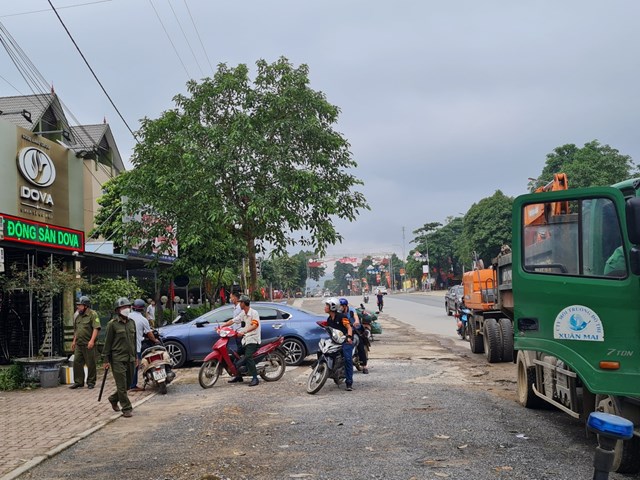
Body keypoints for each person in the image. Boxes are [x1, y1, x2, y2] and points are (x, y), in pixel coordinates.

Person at [102, 297, 137, 418]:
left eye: (127, 307)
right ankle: (126, 408)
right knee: (121, 385)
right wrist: (106, 360)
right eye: (123, 307)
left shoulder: (132, 323)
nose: (126, 309)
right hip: (117, 358)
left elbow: (134, 341)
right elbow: (107, 343)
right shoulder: (112, 325)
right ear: (117, 310)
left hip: (130, 358)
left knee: (128, 385)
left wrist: (136, 357)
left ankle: (113, 398)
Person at [225, 295, 262, 387]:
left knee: (248, 357)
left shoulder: (254, 313)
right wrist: (222, 326)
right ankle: (238, 376)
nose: (239, 303)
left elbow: (254, 325)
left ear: (244, 303)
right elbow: (233, 320)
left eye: (241, 302)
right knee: (234, 354)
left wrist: (243, 331)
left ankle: (255, 378)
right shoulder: (243, 313)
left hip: (253, 340)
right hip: (245, 340)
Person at [69, 295, 101, 390]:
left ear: (86, 306)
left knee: (90, 363)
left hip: (89, 343)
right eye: (77, 305)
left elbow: (96, 328)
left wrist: (91, 341)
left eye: (80, 305)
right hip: (79, 343)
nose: (78, 307)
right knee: (77, 362)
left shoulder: (93, 314)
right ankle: (78, 382)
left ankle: (91, 382)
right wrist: (74, 341)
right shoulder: (77, 316)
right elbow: (77, 330)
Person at [325, 297, 354, 391]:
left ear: (332, 307)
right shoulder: (329, 319)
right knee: (322, 350)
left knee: (348, 359)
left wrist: (349, 337)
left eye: (327, 306)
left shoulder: (342, 317)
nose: (325, 307)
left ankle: (349, 383)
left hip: (346, 341)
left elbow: (349, 328)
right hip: (335, 341)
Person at [129, 299, 159, 391]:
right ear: (142, 309)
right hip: (136, 346)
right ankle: (133, 385)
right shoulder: (143, 319)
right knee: (135, 365)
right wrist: (155, 340)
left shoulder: (127, 316)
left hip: (125, 346)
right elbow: (149, 333)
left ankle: (125, 384)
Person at [339, 298, 369, 374]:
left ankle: (365, 366)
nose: (340, 307)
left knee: (360, 345)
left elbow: (356, 317)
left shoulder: (352, 310)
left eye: (341, 306)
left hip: (355, 330)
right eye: (339, 306)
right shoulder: (339, 312)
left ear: (345, 306)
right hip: (345, 331)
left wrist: (356, 321)